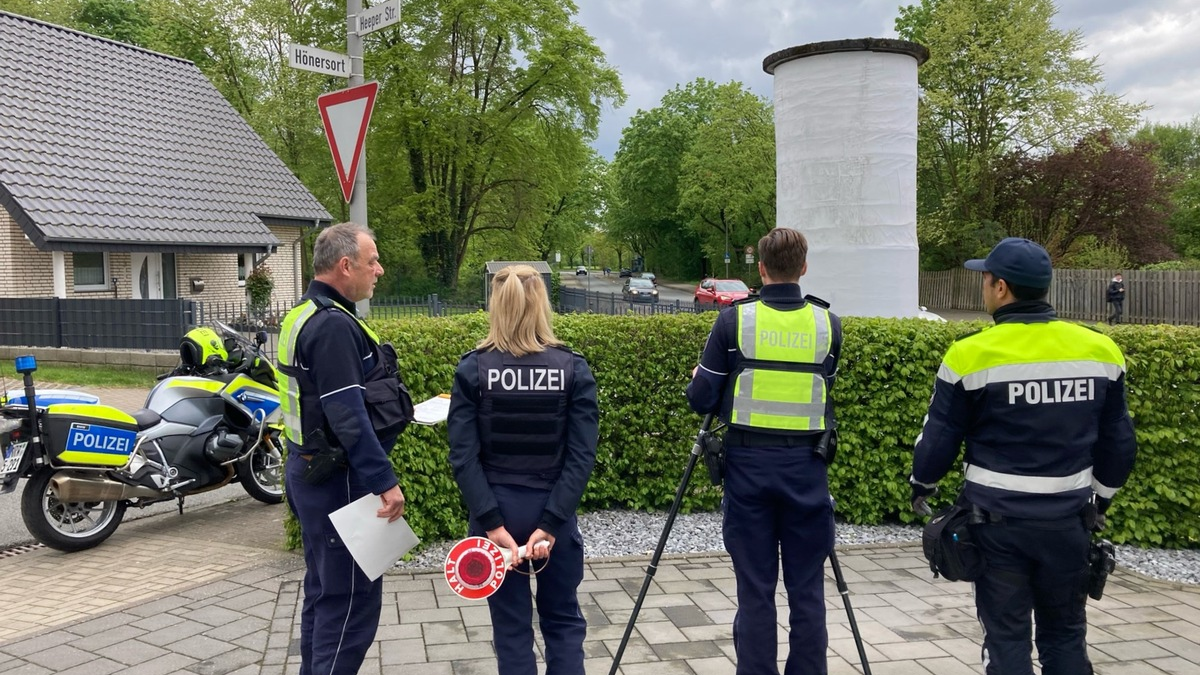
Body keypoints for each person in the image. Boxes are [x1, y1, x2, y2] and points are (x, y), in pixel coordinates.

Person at [909, 237, 1137, 675]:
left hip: (996, 526)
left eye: (985, 279)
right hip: (1068, 521)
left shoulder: (969, 355)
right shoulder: (1101, 350)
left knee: (1008, 640)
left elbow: (938, 439)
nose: (983, 287)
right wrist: (1102, 499)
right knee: (1066, 635)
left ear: (1000, 288)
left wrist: (923, 485)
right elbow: (1120, 442)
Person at [686, 227, 842, 675]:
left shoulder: (735, 320)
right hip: (807, 471)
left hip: (749, 471)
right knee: (807, 590)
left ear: (761, 268)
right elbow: (822, 389)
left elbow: (702, 397)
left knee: (755, 591)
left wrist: (705, 378)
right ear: (804, 267)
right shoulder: (827, 324)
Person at [447, 264, 599, 675]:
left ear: (496, 305)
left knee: (511, 630)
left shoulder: (472, 369)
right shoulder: (573, 368)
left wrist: (493, 525)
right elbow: (581, 456)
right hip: (554, 510)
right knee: (564, 621)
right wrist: (550, 525)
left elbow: (463, 456)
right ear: (542, 305)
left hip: (496, 511)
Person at [278, 222, 409, 675]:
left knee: (325, 594)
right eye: (372, 261)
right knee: (350, 606)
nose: (380, 270)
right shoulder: (333, 326)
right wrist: (385, 483)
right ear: (346, 265)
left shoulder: (303, 314)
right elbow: (347, 415)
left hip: (311, 473)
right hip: (342, 483)